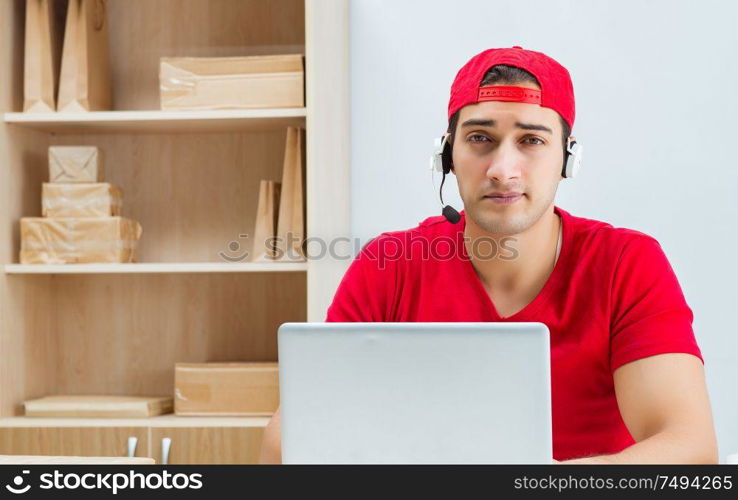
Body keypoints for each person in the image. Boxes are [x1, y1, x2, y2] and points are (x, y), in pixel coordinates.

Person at [260, 46, 717, 464]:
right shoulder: (390, 263)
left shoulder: (626, 263)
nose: (502, 170)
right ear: (447, 155)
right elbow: (287, 442)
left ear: (567, 160)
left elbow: (690, 448)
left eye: (532, 141)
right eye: (480, 138)